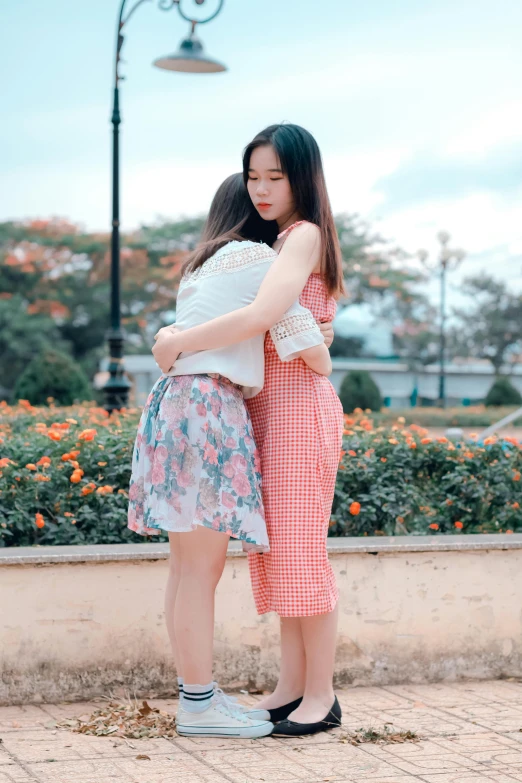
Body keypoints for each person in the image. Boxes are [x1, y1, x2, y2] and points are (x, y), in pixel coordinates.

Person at [153, 124, 345, 737]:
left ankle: (322, 695)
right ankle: (290, 688)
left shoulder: (305, 235)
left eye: (276, 177)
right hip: (266, 410)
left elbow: (266, 317)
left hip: (298, 412)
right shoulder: (276, 242)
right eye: (253, 176)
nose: (261, 189)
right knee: (279, 557)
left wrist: (179, 341)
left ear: (303, 179)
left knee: (302, 554)